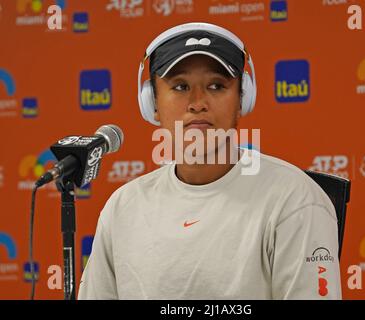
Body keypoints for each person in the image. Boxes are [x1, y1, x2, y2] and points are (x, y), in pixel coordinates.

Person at [78, 22, 342, 300]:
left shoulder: (294, 199)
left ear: (243, 98)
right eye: (180, 86)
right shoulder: (123, 207)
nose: (197, 102)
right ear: (151, 102)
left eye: (216, 86)